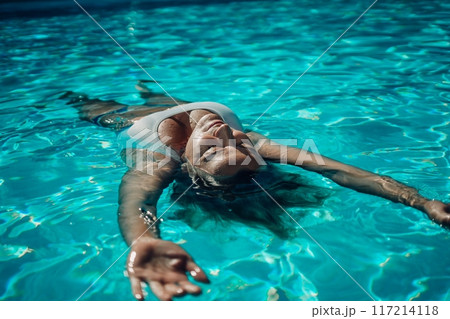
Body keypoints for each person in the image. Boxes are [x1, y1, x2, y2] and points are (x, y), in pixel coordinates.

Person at [61, 81, 450, 301]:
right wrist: (422, 201)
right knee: (162, 94)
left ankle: (74, 96)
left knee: (95, 106)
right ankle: (149, 89)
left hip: (127, 121)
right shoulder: (253, 145)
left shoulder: (159, 160)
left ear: (191, 161)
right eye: (234, 144)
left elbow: (138, 202)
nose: (222, 133)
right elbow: (340, 172)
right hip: (180, 104)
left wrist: (142, 242)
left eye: (213, 148)